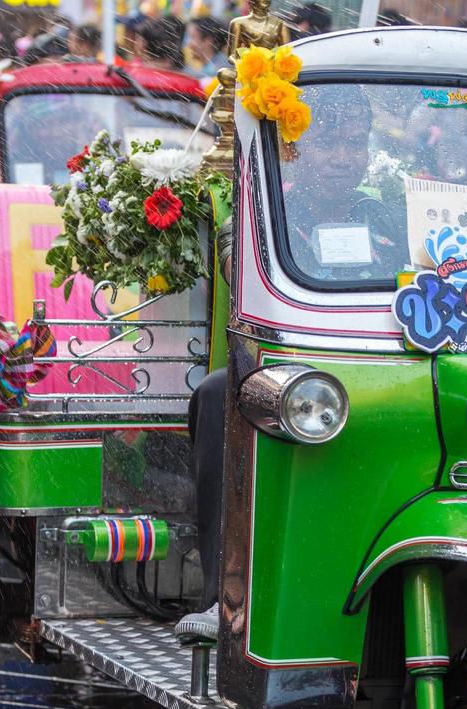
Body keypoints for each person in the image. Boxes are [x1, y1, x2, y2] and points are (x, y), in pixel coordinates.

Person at [176, 92, 389, 641]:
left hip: (383, 371)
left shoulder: (388, 214)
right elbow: (236, 267)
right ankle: (222, 600)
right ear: (296, 149)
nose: (344, 157)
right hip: (294, 376)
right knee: (220, 394)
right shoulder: (259, 212)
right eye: (330, 144)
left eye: (355, 143)